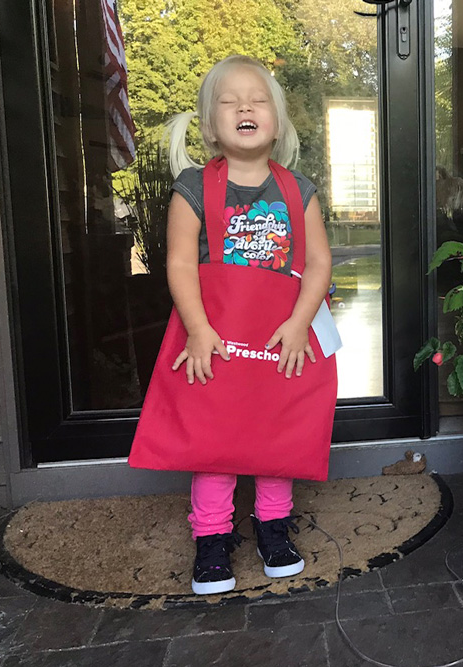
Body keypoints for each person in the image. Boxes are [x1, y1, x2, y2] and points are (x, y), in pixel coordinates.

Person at [163, 55, 335, 595]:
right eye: (229, 100)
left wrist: (300, 323)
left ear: (276, 121)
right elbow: (180, 263)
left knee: (273, 431)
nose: (244, 107)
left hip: (280, 334)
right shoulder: (193, 188)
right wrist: (197, 328)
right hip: (213, 335)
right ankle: (211, 537)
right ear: (211, 124)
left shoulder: (297, 190)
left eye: (257, 99)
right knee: (215, 436)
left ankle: (273, 526)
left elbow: (320, 264)